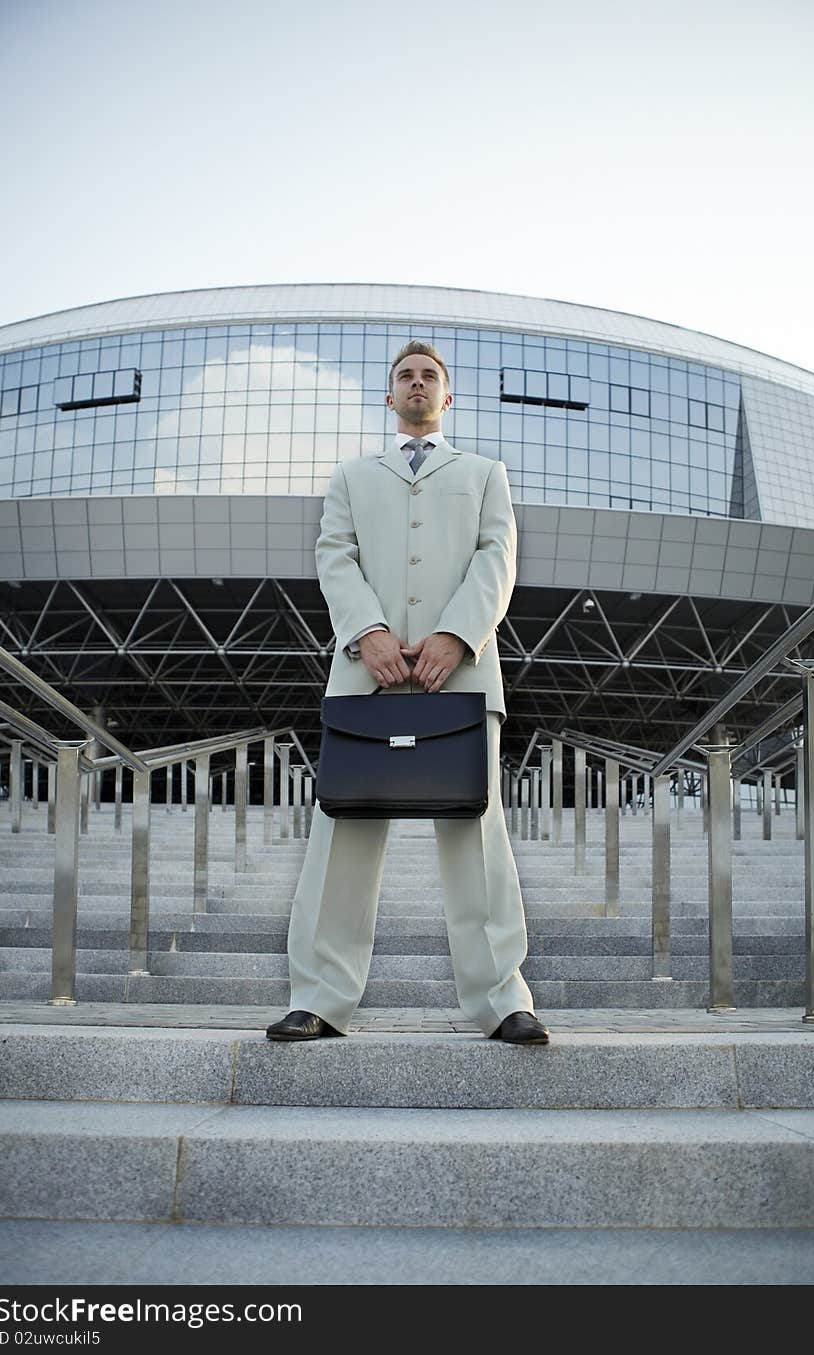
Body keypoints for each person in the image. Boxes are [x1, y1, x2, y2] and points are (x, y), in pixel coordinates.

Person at [266, 341, 549, 1046]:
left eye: (430, 377)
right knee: (342, 837)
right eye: (405, 376)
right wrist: (369, 631)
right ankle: (320, 997)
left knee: (475, 839)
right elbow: (335, 553)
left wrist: (457, 635)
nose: (417, 384)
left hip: (463, 674)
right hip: (369, 676)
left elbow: (497, 556)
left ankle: (503, 999)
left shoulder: (485, 473)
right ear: (389, 397)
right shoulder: (353, 476)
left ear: (446, 399)